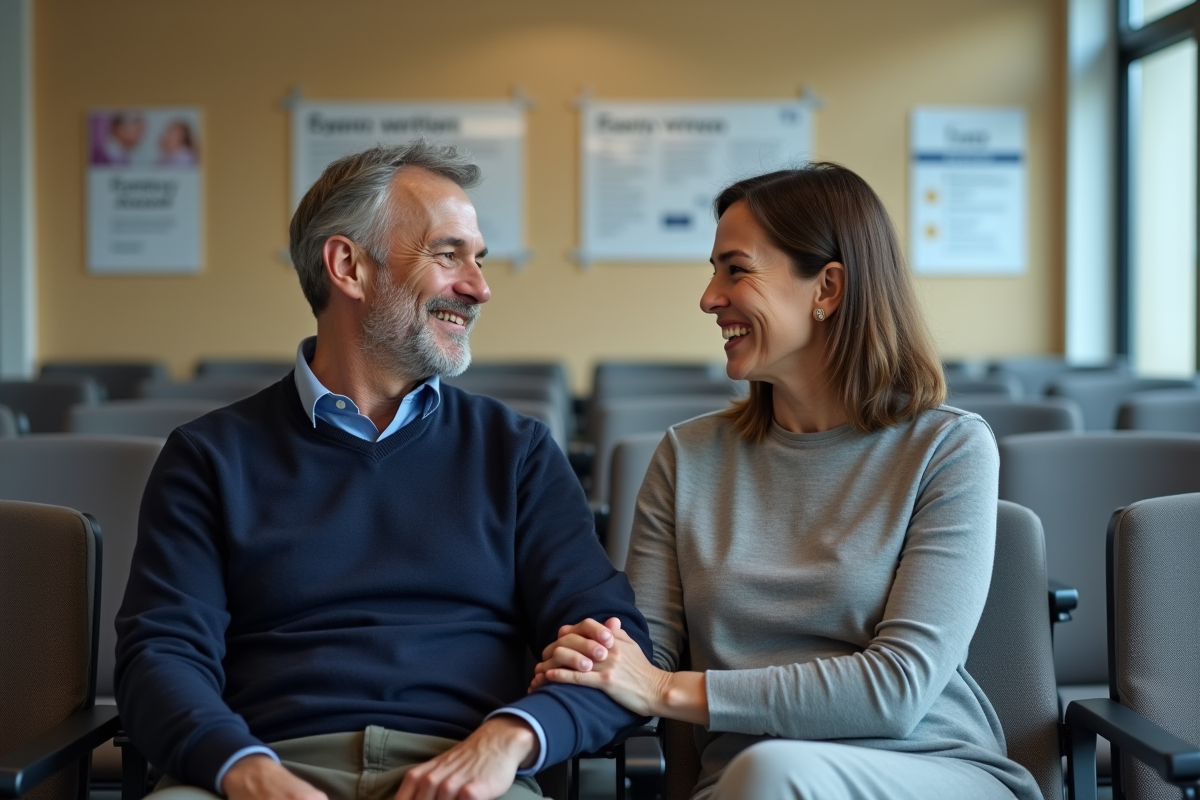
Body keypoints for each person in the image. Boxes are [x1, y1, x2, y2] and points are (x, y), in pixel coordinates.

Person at [115, 141, 651, 800]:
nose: (479, 288)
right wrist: (245, 771)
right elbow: (160, 655)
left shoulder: (518, 453)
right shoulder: (208, 456)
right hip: (257, 768)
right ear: (349, 266)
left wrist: (509, 739)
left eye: (479, 260)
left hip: (464, 770)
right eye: (448, 254)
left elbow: (616, 651)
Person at [531, 164, 1043, 800]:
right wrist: (592, 659)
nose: (709, 298)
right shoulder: (685, 457)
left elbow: (899, 689)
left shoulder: (948, 447)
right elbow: (644, 655)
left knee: (773, 773)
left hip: (928, 769)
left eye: (735, 270)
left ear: (827, 287)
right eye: (714, 271)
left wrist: (662, 689)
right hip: (747, 783)